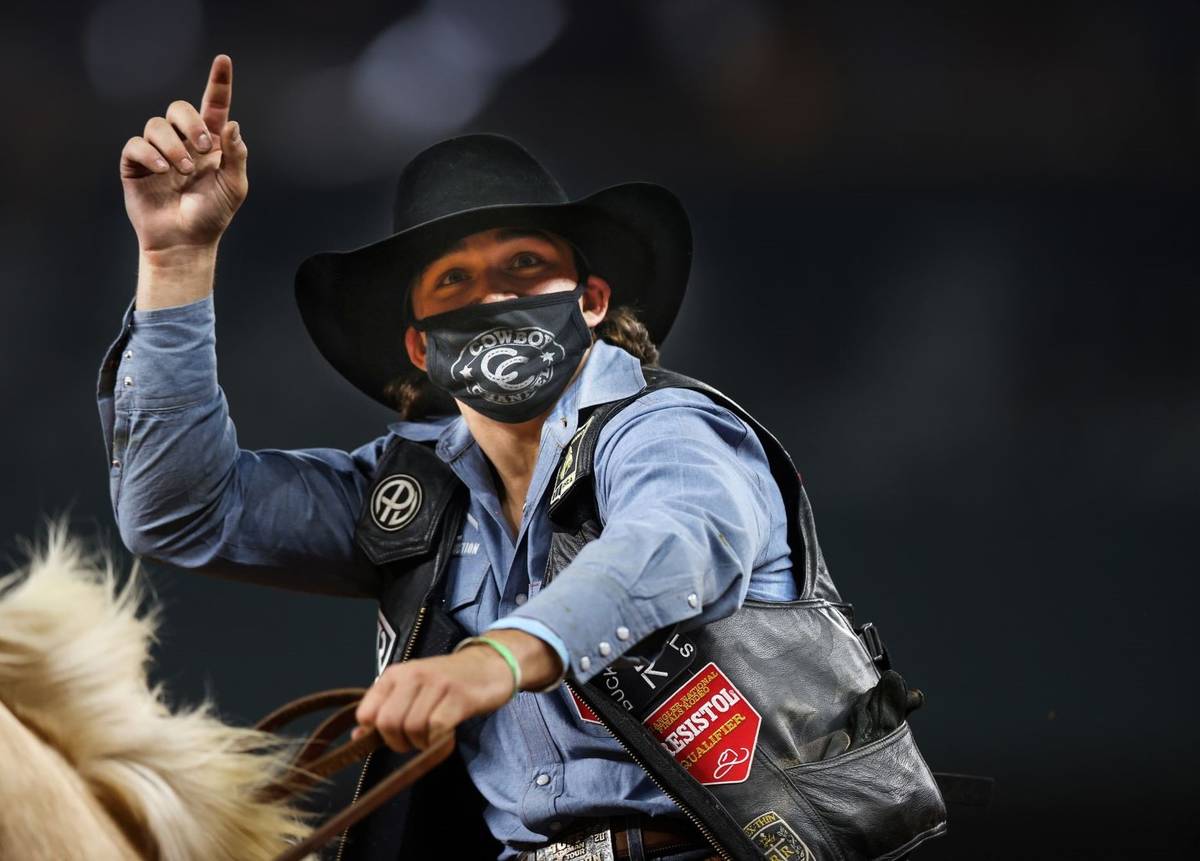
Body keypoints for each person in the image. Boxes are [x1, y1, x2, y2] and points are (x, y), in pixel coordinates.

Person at [101, 55, 946, 860]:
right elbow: (184, 510)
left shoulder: (667, 429)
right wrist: (176, 261)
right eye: (454, 282)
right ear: (422, 348)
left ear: (591, 299)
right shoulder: (417, 492)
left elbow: (673, 543)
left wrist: (495, 657)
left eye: (524, 265)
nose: (495, 296)